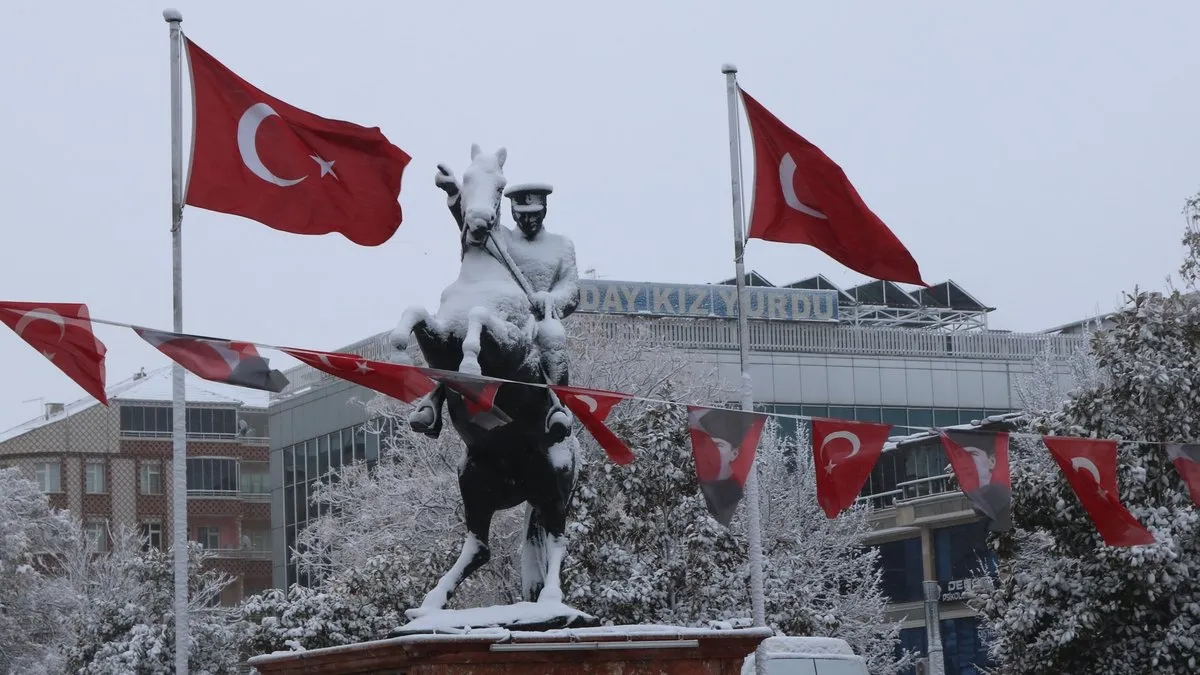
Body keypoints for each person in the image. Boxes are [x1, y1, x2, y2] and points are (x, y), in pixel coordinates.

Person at [408, 166, 579, 439]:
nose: (528, 221)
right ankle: (435, 399)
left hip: (537, 321)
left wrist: (548, 300)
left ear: (544, 210)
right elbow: (471, 223)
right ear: (512, 213)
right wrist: (456, 194)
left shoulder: (562, 246)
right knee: (464, 332)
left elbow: (571, 291)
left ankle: (556, 407)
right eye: (521, 215)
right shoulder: (502, 240)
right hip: (504, 313)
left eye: (534, 215)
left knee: (553, 338)